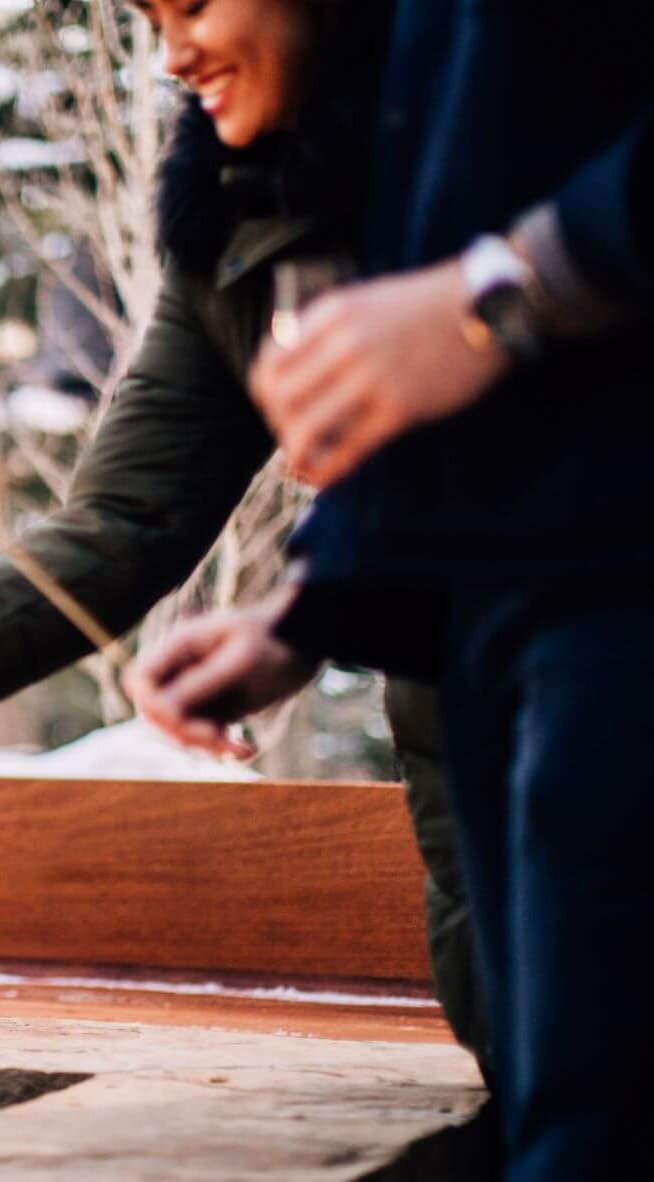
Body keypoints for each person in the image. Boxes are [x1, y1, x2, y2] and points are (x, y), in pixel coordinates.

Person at [0, 0, 491, 1074]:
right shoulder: (229, 223)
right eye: (149, 16)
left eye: (194, 7)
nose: (173, 54)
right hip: (461, 756)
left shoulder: (531, 148)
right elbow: (119, 524)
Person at [123, 3, 653, 1178]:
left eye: (190, 8)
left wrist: (509, 289)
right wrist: (316, 606)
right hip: (511, 637)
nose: (171, 53)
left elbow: (470, 302)